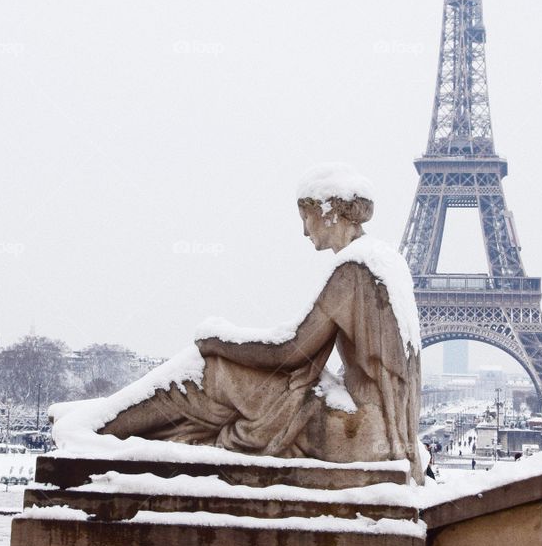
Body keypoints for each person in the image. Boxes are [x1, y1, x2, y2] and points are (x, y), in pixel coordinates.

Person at [83, 166, 423, 480]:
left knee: (213, 369)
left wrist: (219, 341)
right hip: (375, 431)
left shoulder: (353, 271)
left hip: (354, 433)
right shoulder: (385, 263)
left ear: (328, 211)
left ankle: (96, 432)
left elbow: (290, 352)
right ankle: (106, 421)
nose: (304, 230)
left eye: (305, 216)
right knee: (231, 379)